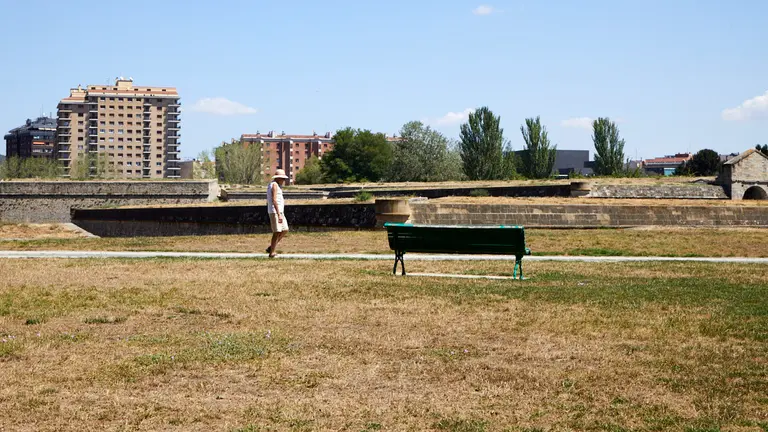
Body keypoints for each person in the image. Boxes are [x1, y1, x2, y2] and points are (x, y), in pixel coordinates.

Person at [266, 169, 289, 258]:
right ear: (278, 178)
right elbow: (274, 200)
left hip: (279, 211)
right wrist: (278, 214)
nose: (284, 180)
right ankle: (272, 252)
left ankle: (272, 247)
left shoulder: (275, 185)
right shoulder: (274, 185)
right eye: (282, 178)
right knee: (276, 232)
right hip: (276, 211)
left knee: (285, 229)